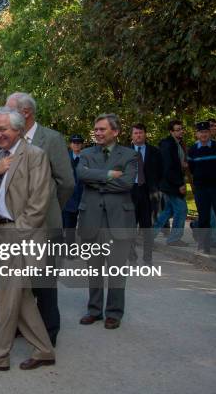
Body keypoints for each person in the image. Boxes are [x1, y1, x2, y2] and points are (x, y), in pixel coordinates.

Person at [0, 107, 55, 371]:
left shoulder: (35, 156)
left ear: (18, 128)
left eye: (3, 129)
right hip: (2, 231)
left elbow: (39, 204)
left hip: (21, 234)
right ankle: (44, 350)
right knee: (21, 296)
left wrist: (17, 236)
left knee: (7, 296)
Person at [5, 92, 74, 347]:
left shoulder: (52, 139)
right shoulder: (9, 141)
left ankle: (48, 336)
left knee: (44, 283)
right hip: (15, 225)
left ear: (25, 113)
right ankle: (21, 326)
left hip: (44, 223)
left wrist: (50, 206)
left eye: (8, 109)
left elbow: (66, 182)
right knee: (19, 281)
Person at [77, 114, 137, 330]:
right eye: (96, 129)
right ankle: (94, 310)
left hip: (119, 220)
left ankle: (113, 312)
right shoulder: (85, 153)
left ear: (116, 132)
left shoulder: (130, 155)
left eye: (103, 129)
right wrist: (111, 175)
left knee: (116, 270)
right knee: (93, 269)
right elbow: (82, 175)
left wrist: (97, 180)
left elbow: (127, 183)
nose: (98, 133)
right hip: (92, 218)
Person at [187, 121, 216, 256]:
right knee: (204, 218)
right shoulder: (193, 150)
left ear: (210, 133)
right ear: (197, 134)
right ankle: (205, 246)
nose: (203, 134)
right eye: (201, 132)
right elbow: (192, 168)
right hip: (201, 189)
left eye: (206, 132)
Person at [129, 124, 162, 263]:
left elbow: (161, 170)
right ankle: (131, 257)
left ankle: (148, 258)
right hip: (131, 192)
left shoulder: (154, 152)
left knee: (147, 226)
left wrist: (155, 186)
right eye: (135, 133)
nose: (138, 135)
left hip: (147, 193)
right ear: (132, 136)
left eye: (140, 133)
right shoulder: (125, 152)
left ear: (145, 134)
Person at [153, 120, 189, 246]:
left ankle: (150, 234)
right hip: (171, 184)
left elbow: (176, 164)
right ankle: (174, 239)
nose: (180, 131)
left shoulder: (178, 144)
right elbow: (169, 167)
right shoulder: (169, 145)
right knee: (182, 209)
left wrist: (183, 165)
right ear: (171, 132)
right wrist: (179, 184)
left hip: (170, 182)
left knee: (168, 210)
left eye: (181, 129)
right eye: (177, 130)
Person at [62, 134, 85, 246]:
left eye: (79, 143)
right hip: (68, 197)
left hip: (83, 196)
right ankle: (68, 250)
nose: (76, 145)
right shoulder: (64, 157)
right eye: (74, 142)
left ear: (82, 144)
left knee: (81, 224)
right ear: (70, 144)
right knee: (68, 224)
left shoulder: (86, 158)